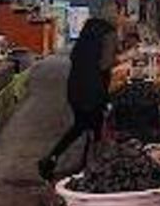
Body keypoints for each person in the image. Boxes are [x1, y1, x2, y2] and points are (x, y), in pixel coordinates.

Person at [38, 16, 116, 181]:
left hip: (75, 89)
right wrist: (120, 58)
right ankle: (91, 167)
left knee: (83, 126)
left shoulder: (85, 38)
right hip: (94, 91)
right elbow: (105, 65)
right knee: (91, 127)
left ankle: (58, 160)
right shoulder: (109, 33)